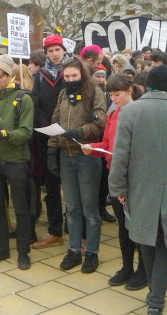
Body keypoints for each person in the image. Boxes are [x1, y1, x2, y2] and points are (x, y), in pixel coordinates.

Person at [109, 65, 167, 315]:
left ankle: (154, 295)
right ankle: (157, 297)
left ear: (145, 85)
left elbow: (121, 154)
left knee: (145, 238)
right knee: (165, 243)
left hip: (140, 186)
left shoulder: (131, 111)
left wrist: (117, 187)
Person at [83, 73, 147, 290]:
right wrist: (94, 148)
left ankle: (143, 269)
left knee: (137, 226)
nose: (113, 98)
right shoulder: (113, 114)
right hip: (115, 175)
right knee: (123, 226)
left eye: (117, 94)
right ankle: (127, 265)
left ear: (130, 91)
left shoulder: (139, 114)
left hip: (133, 178)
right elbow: (109, 145)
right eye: (110, 94)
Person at [47, 58, 106, 273]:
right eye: (67, 76)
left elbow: (101, 123)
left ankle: (91, 252)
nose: (70, 80)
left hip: (86, 154)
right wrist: (51, 150)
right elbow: (55, 122)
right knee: (71, 208)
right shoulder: (63, 94)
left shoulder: (94, 92)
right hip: (66, 155)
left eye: (74, 76)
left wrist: (80, 132)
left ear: (82, 74)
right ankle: (73, 250)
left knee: (90, 209)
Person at [0, 54, 34, 270]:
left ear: (9, 75)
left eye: (0, 76)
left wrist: (4, 134)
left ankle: (23, 251)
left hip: (15, 160)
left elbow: (26, 132)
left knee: (20, 207)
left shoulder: (24, 98)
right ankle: (2, 248)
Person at [32, 35, 67, 249]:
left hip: (70, 134)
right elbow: (36, 104)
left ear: (63, 50)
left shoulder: (73, 72)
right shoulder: (40, 77)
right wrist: (47, 127)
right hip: (48, 137)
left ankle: (78, 230)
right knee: (52, 187)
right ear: (46, 53)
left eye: (57, 50)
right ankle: (55, 230)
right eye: (50, 51)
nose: (54, 54)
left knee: (72, 189)